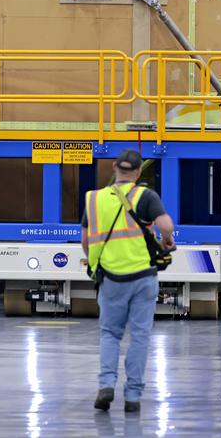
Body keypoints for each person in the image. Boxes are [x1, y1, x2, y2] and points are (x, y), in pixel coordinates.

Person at [81, 150, 175, 414]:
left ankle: (106, 385)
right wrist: (167, 239)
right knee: (140, 336)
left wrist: (96, 262)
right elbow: (165, 224)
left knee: (110, 334)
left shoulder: (94, 199)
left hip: (110, 278)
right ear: (137, 172)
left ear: (114, 168)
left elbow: (86, 241)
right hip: (143, 277)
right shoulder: (145, 196)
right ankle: (132, 396)